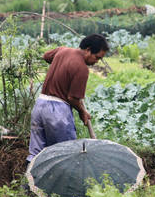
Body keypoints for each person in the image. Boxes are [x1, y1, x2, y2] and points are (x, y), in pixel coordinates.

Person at [26, 34, 109, 164]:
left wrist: (60, 65)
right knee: (66, 154)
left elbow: (46, 56)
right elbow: (73, 98)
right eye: (97, 57)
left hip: (40, 106)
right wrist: (82, 112)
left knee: (36, 152)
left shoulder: (62, 50)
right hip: (57, 112)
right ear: (88, 50)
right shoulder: (82, 68)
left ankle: (27, 183)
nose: (96, 62)